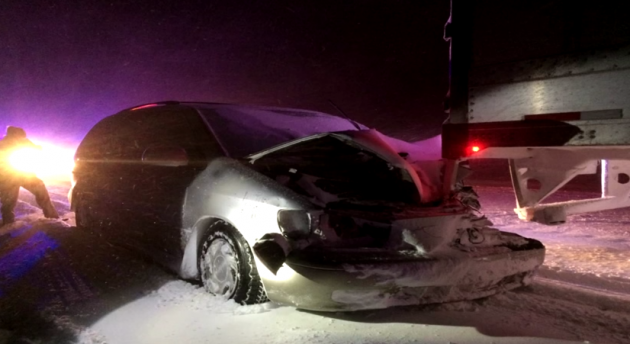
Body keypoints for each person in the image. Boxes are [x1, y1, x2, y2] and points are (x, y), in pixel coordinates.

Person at [0, 126, 59, 225]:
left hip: (22, 173)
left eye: (22, 137)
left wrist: (37, 148)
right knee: (9, 201)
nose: (20, 138)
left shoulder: (23, 141)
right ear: (13, 134)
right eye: (19, 136)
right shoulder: (3, 143)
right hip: (7, 176)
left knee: (40, 189)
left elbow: (33, 148)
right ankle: (8, 222)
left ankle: (52, 217)